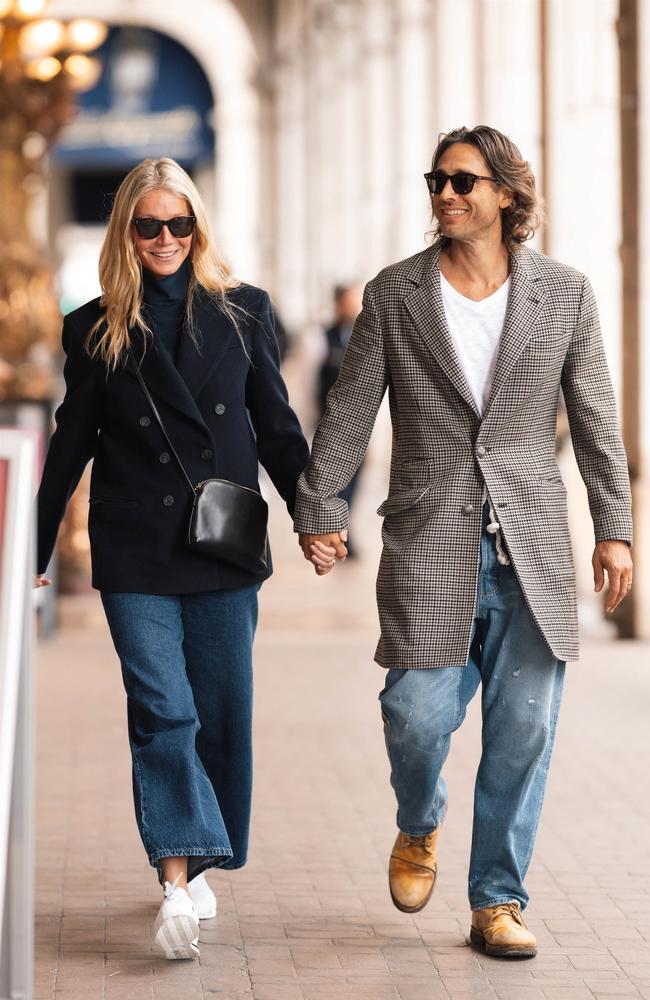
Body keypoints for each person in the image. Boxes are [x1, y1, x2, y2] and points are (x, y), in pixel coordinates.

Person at [295, 126, 633, 958]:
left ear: (506, 195)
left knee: (523, 730)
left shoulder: (566, 294)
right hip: (428, 534)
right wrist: (318, 505)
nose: (445, 194)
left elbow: (596, 421)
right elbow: (349, 409)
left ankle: (497, 902)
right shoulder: (395, 295)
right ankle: (419, 823)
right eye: (436, 180)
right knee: (414, 715)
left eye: (462, 181)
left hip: (534, 545)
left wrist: (616, 531)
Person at [35, 157, 310, 960]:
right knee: (164, 713)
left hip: (221, 545)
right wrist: (35, 544)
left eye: (178, 223)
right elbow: (69, 445)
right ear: (127, 229)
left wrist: (315, 517)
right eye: (148, 225)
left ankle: (197, 859)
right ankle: (175, 883)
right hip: (134, 550)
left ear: (198, 227)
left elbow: (279, 432)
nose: (164, 238)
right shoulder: (94, 326)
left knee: (221, 716)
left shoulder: (245, 314)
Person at [317, 284, 363, 556]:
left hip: (358, 428)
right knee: (335, 482)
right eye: (349, 302)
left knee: (354, 483)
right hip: (327, 424)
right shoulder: (322, 337)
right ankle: (335, 534)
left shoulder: (361, 333)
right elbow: (309, 379)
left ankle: (344, 532)